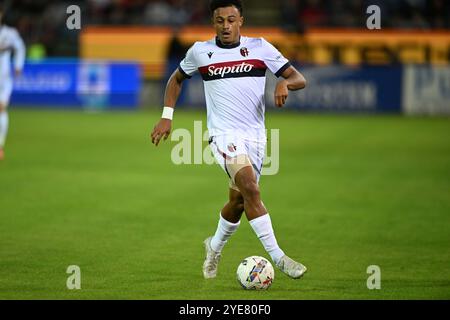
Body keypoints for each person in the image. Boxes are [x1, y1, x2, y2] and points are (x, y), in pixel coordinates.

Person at [151, 0, 308, 280]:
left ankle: (213, 247)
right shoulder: (200, 52)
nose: (226, 26)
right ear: (213, 22)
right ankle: (279, 257)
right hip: (223, 135)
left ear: (241, 21)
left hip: (256, 137)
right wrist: (167, 116)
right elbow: (175, 79)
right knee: (252, 189)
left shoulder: (260, 48)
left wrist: (285, 83)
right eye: (220, 20)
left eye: (231, 20)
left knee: (238, 202)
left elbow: (298, 77)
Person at [0, 4, 25, 160]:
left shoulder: (10, 34)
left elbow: (20, 48)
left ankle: (0, 145)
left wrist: (18, 65)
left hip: (3, 78)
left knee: (1, 108)